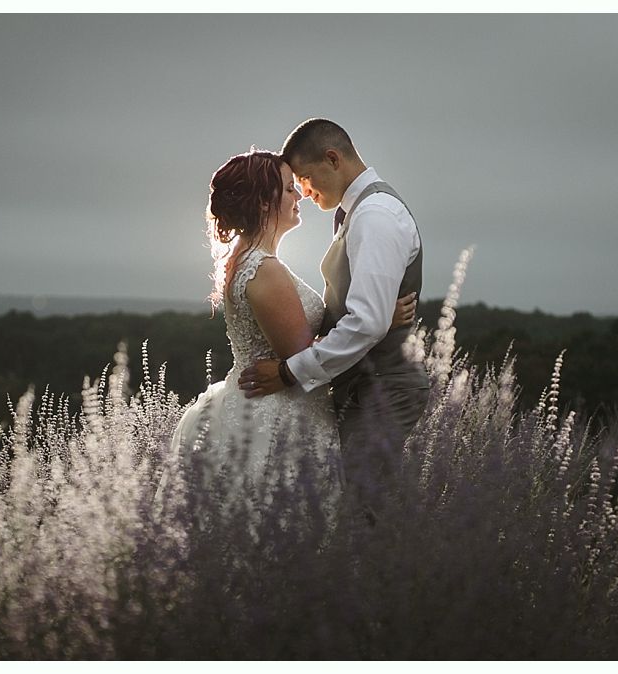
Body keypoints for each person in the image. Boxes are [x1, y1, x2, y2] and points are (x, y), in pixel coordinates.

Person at [162, 148, 416, 529]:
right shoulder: (264, 270)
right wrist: (377, 319)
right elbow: (301, 358)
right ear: (264, 202)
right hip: (281, 416)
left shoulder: (245, 260)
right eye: (288, 189)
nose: (299, 196)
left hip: (258, 407)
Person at [238, 119, 431, 525]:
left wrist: (289, 372)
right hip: (360, 388)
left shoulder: (375, 216)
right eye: (296, 185)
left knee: (362, 518)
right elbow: (368, 315)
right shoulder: (357, 213)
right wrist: (375, 318)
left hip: (382, 389)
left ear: (332, 158)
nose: (304, 193)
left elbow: (367, 323)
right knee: (352, 513)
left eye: (305, 179)